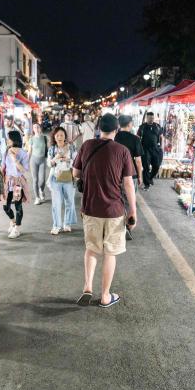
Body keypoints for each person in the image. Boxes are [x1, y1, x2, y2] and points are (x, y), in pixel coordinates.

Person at [72, 114, 137, 308]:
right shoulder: (122, 151)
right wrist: (132, 211)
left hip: (90, 207)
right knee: (110, 253)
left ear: (98, 128)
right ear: (116, 130)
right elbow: (128, 183)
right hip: (114, 211)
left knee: (91, 249)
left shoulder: (87, 146)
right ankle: (106, 296)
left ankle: (87, 287)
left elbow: (75, 173)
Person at [47, 126, 78, 235]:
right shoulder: (52, 149)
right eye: (57, 135)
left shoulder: (71, 147)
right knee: (56, 203)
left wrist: (68, 159)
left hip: (69, 178)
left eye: (62, 135)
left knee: (69, 201)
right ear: (54, 137)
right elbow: (49, 163)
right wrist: (56, 158)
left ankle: (67, 223)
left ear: (65, 136)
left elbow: (77, 161)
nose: (59, 137)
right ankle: (56, 225)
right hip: (56, 178)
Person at [1, 130, 30, 239]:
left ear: (14, 139)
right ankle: (13, 222)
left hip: (17, 183)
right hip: (8, 182)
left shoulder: (23, 153)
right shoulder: (6, 151)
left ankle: (17, 228)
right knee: (6, 206)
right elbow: (3, 166)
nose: (7, 141)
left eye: (9, 138)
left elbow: (24, 170)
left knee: (18, 206)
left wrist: (14, 159)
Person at [115, 114, 144, 204]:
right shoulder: (135, 139)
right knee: (130, 201)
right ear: (129, 124)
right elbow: (138, 161)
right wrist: (140, 176)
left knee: (117, 200)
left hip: (116, 173)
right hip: (131, 173)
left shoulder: (114, 137)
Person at [137, 112, 163, 191]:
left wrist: (161, 147)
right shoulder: (142, 127)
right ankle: (147, 184)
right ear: (146, 118)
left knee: (156, 166)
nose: (151, 119)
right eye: (149, 118)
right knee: (146, 167)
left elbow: (161, 137)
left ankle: (150, 178)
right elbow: (138, 137)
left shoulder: (157, 126)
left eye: (152, 118)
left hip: (155, 149)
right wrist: (138, 148)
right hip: (145, 149)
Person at [27, 123, 49, 205]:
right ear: (33, 129)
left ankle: (41, 191)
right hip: (33, 161)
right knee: (35, 180)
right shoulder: (31, 139)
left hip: (42, 160)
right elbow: (29, 152)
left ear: (40, 128)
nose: (36, 128)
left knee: (42, 180)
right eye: (34, 127)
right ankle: (37, 198)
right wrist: (26, 161)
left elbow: (49, 150)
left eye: (37, 127)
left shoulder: (45, 138)